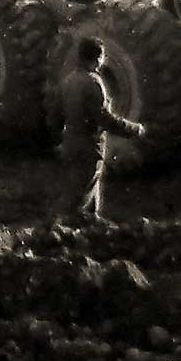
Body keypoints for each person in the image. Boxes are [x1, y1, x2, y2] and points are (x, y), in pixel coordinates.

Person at [59, 37, 145, 224]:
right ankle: (68, 231)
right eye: (103, 56)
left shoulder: (68, 81)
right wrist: (132, 129)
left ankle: (89, 225)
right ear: (97, 58)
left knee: (84, 188)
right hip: (89, 144)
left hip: (71, 141)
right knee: (83, 193)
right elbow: (104, 118)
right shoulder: (93, 83)